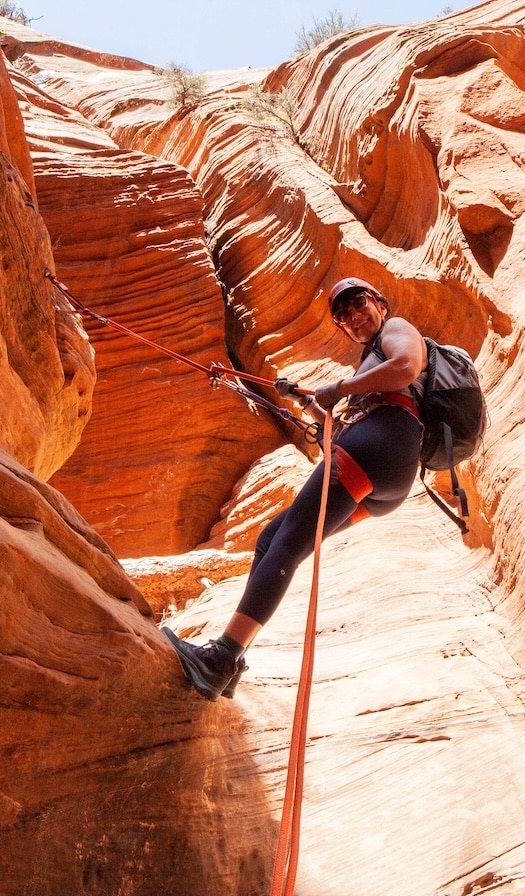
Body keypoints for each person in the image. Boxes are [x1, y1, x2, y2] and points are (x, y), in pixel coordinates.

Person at [163, 277, 427, 698]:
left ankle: (221, 658)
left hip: (382, 446)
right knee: (274, 539)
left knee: (287, 541)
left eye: (359, 305)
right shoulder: (368, 364)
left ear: (379, 303)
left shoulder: (397, 331)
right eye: (343, 317)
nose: (353, 318)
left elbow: (406, 368)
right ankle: (233, 658)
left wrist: (339, 388)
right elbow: (339, 430)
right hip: (384, 469)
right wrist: (307, 403)